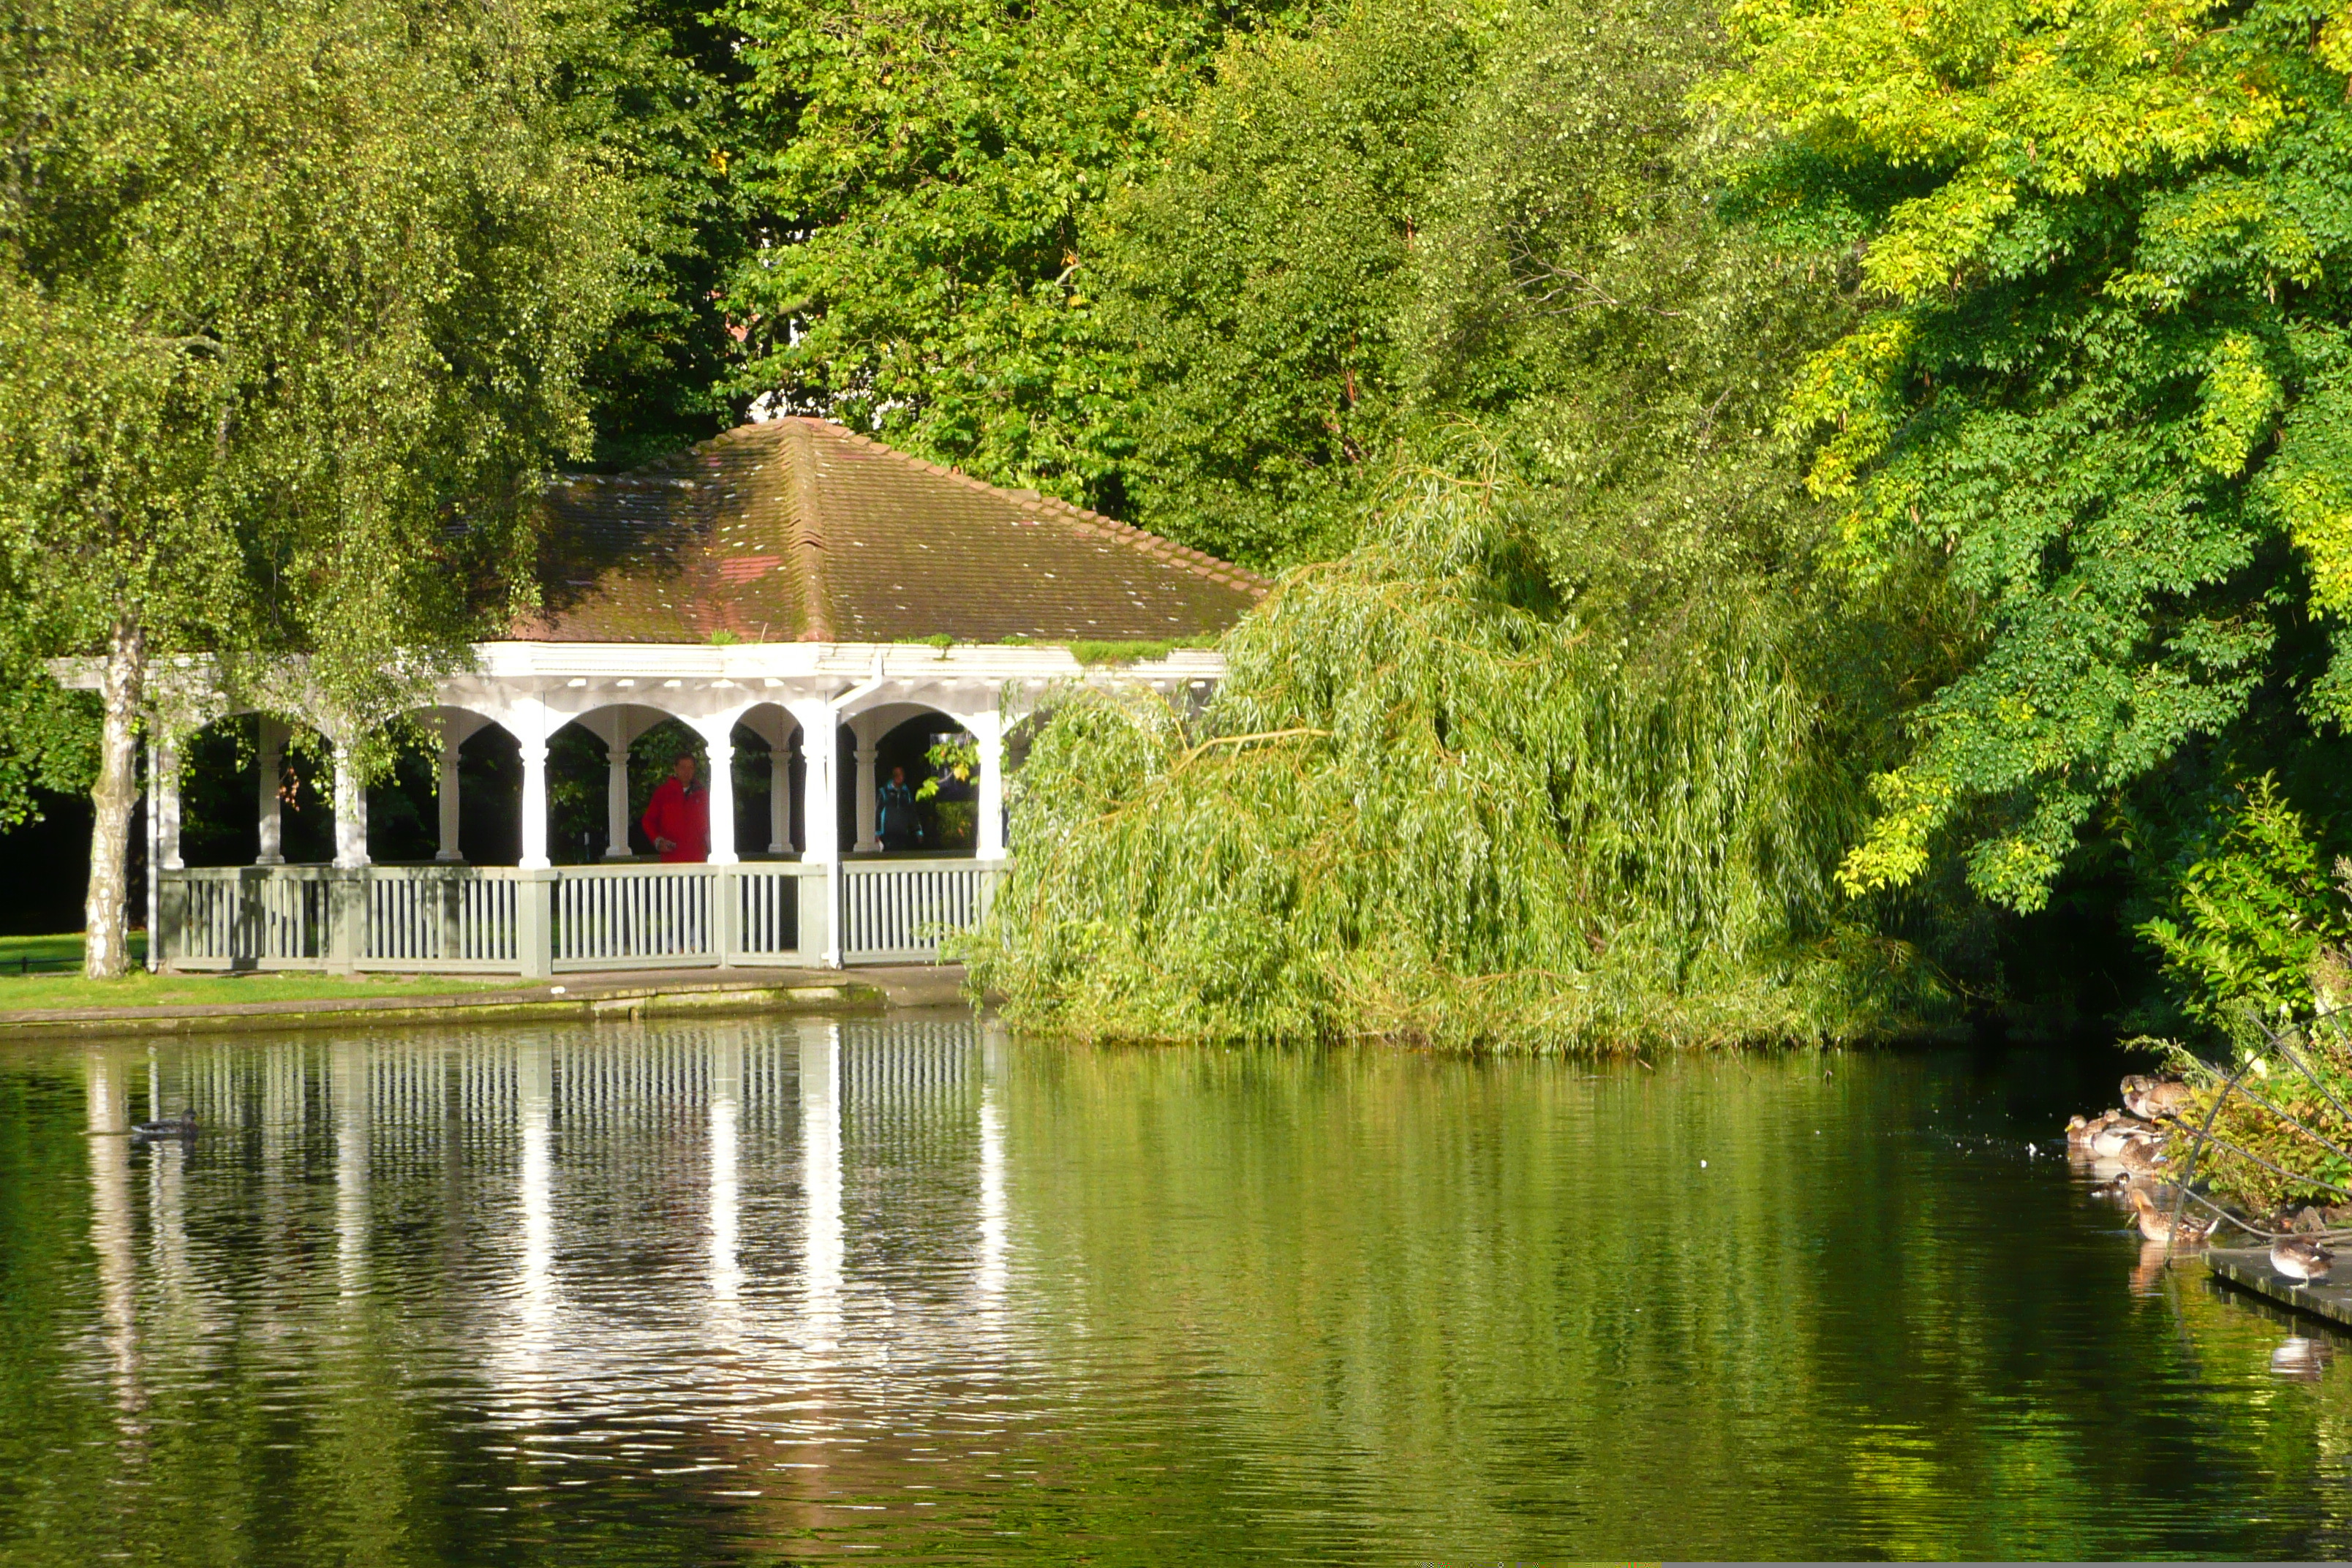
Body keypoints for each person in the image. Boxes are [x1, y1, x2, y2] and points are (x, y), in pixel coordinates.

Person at [639, 751, 709, 862]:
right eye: (683, 768)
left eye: (690, 768)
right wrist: (658, 841)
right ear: (675, 768)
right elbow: (648, 821)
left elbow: (712, 823)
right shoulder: (663, 793)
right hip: (672, 859)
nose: (687, 772)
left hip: (698, 859)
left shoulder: (702, 794)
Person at [877, 765, 919, 851]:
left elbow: (912, 812)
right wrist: (877, 832)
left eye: (902, 775)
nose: (901, 778)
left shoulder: (906, 792)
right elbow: (877, 812)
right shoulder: (884, 792)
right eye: (898, 775)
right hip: (887, 833)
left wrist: (918, 830)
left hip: (902, 832)